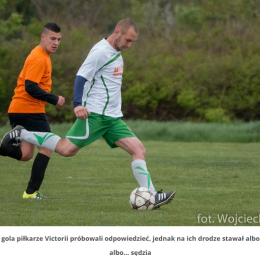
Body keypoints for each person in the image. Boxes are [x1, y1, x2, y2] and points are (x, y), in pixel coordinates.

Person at [0, 19, 175, 208]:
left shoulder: (116, 51)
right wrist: (77, 105)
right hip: (96, 115)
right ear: (117, 32)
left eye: (133, 42)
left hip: (113, 118)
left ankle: (152, 196)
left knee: (138, 150)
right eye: (128, 40)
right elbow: (81, 77)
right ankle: (22, 134)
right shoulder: (100, 51)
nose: (129, 45)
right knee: (67, 150)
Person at [0, 23, 65, 199]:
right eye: (52, 38)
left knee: (25, 154)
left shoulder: (44, 55)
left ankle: (8, 140)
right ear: (43, 37)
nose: (56, 43)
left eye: (59, 39)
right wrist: (54, 98)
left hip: (19, 109)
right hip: (29, 110)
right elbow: (30, 87)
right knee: (46, 148)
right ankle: (30, 193)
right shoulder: (38, 57)